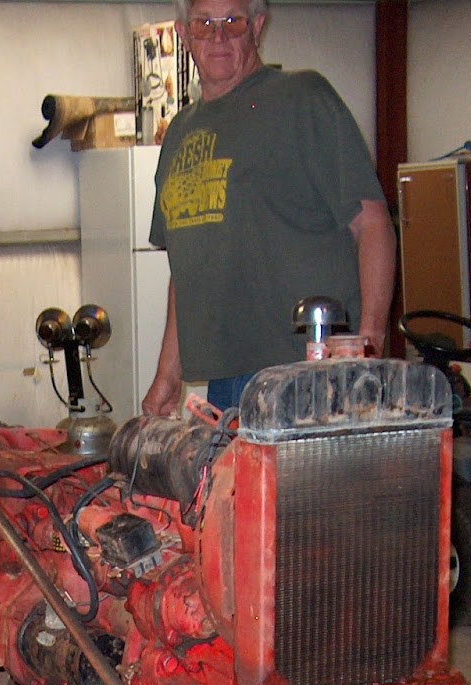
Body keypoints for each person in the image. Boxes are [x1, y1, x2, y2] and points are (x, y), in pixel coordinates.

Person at [140, 0, 396, 417]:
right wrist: (167, 376)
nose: (219, 36)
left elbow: (372, 223)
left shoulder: (301, 98)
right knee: (235, 485)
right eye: (205, 24)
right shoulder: (179, 134)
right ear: (183, 34)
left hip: (309, 376)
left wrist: (368, 345)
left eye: (233, 22)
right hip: (226, 383)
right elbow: (185, 274)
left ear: (257, 27)